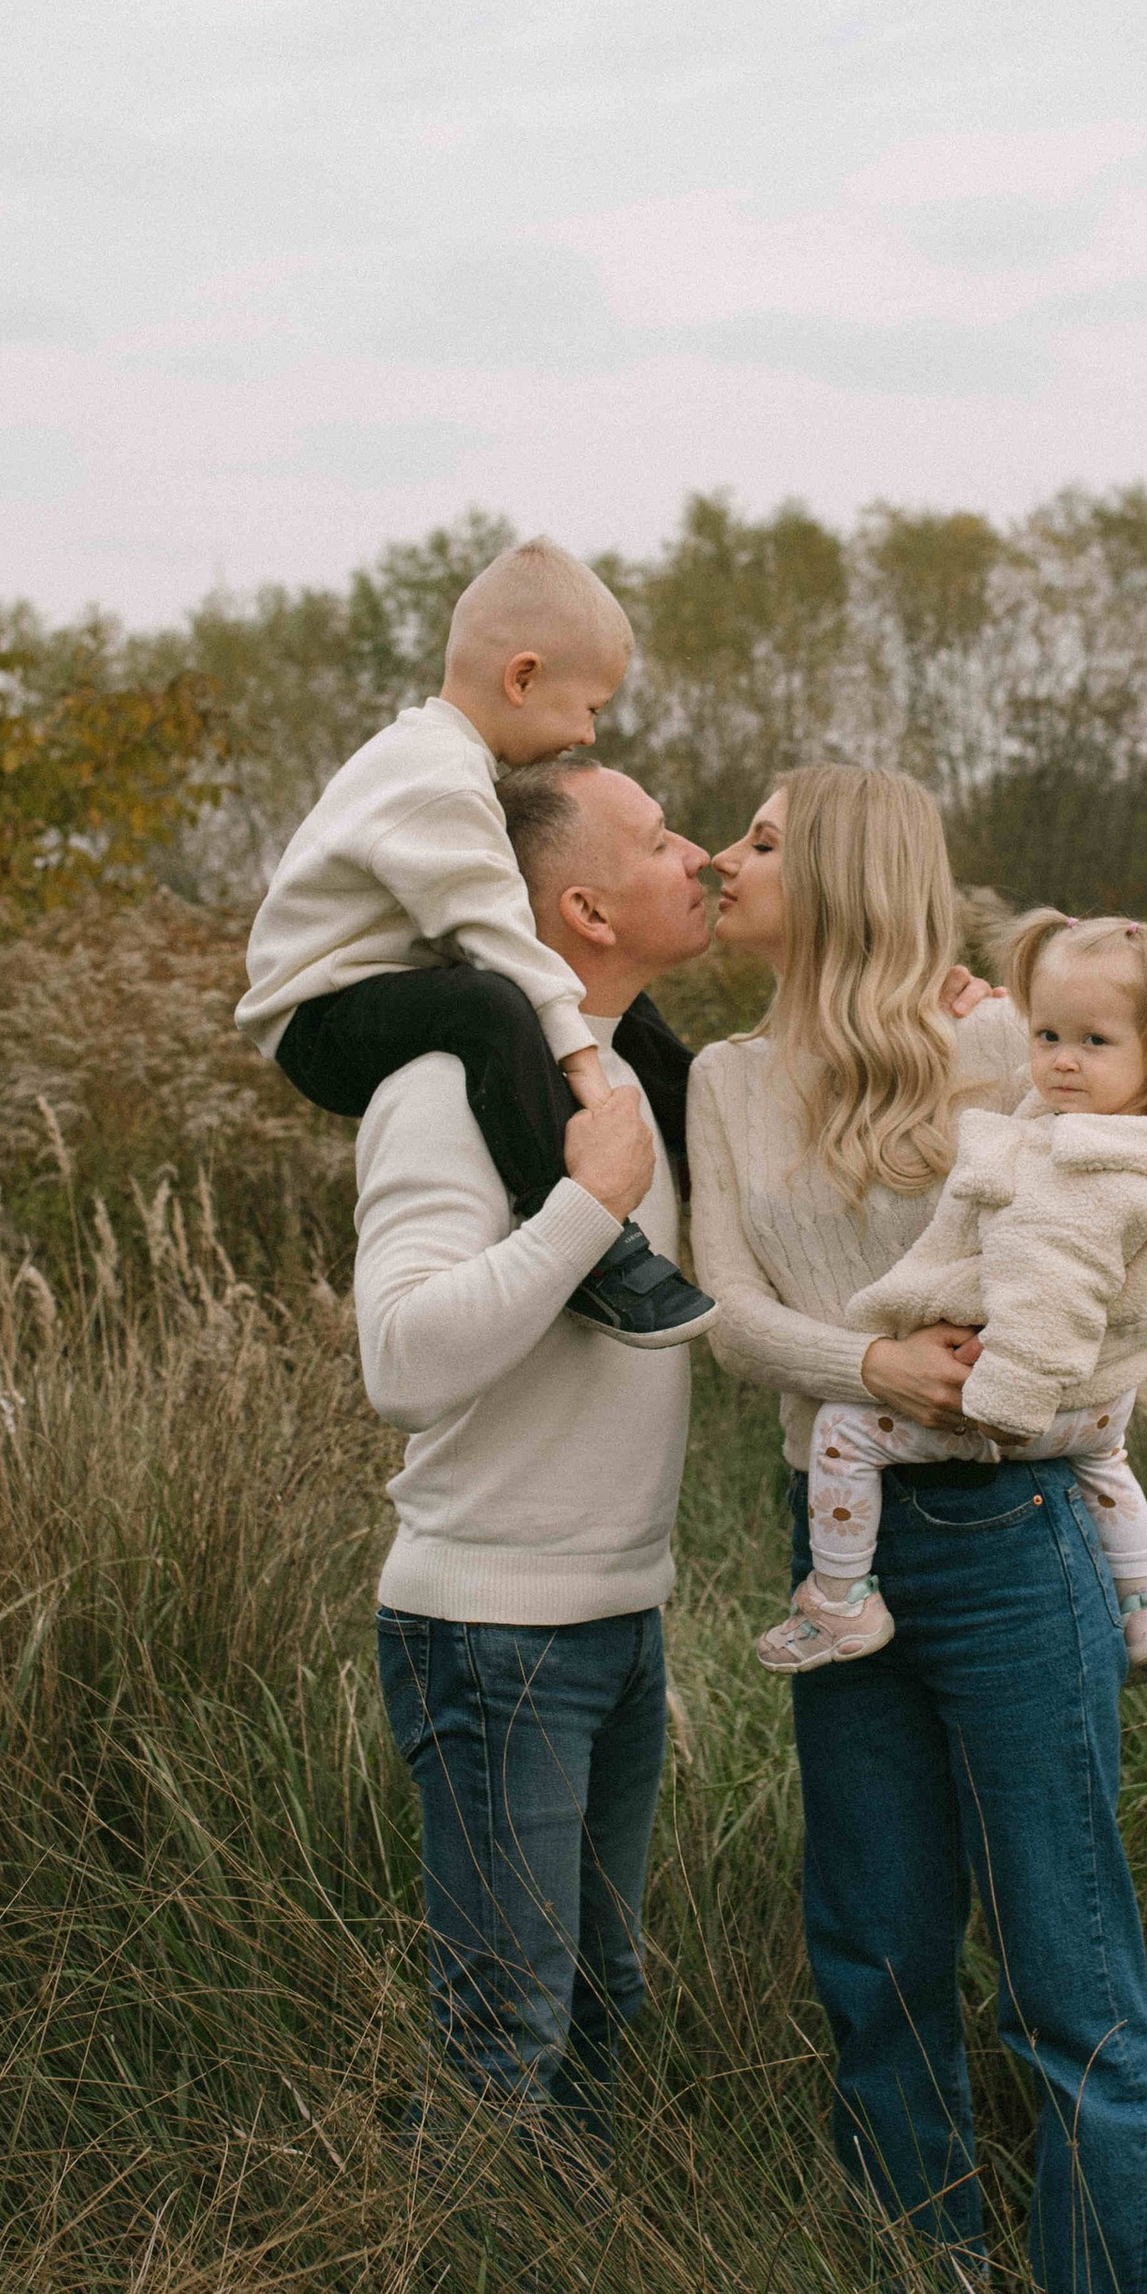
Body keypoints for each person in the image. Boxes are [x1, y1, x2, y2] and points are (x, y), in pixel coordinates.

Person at [687, 766, 1147, 2294]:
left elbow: (1135, 1227)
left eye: (761, 839)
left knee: (1066, 1967)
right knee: (876, 1946)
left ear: (841, 870)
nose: (723, 858)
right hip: (831, 1538)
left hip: (1005, 1532)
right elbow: (725, 1308)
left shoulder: (999, 1048)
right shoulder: (724, 1076)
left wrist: (1061, 1379)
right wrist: (873, 1364)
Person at [356, 756, 711, 2144]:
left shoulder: (632, 1074)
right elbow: (402, 1362)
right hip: (494, 1632)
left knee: (603, 1996)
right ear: (586, 908)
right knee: (506, 2026)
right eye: (662, 838)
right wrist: (587, 1211)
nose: (696, 857)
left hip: (620, 1619)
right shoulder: (444, 1090)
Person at [758, 908, 1147, 1679]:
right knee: (1109, 1465)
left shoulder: (1072, 1173)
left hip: (1031, 1401)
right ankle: (1141, 1607)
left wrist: (1004, 1402)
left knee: (842, 1433)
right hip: (1104, 1402)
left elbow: (1048, 1295)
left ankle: (842, 1597)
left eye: (1095, 1042)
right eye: (1047, 1035)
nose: (1062, 1062)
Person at [237, 537, 715, 1348]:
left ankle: (703, 1131)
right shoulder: (437, 780)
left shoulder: (443, 761)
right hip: (317, 1020)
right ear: (522, 677)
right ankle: (594, 1250)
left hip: (381, 985)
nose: (590, 734)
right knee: (491, 1005)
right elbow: (509, 948)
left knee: (612, 1009)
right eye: (591, 707)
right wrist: (591, 1089)